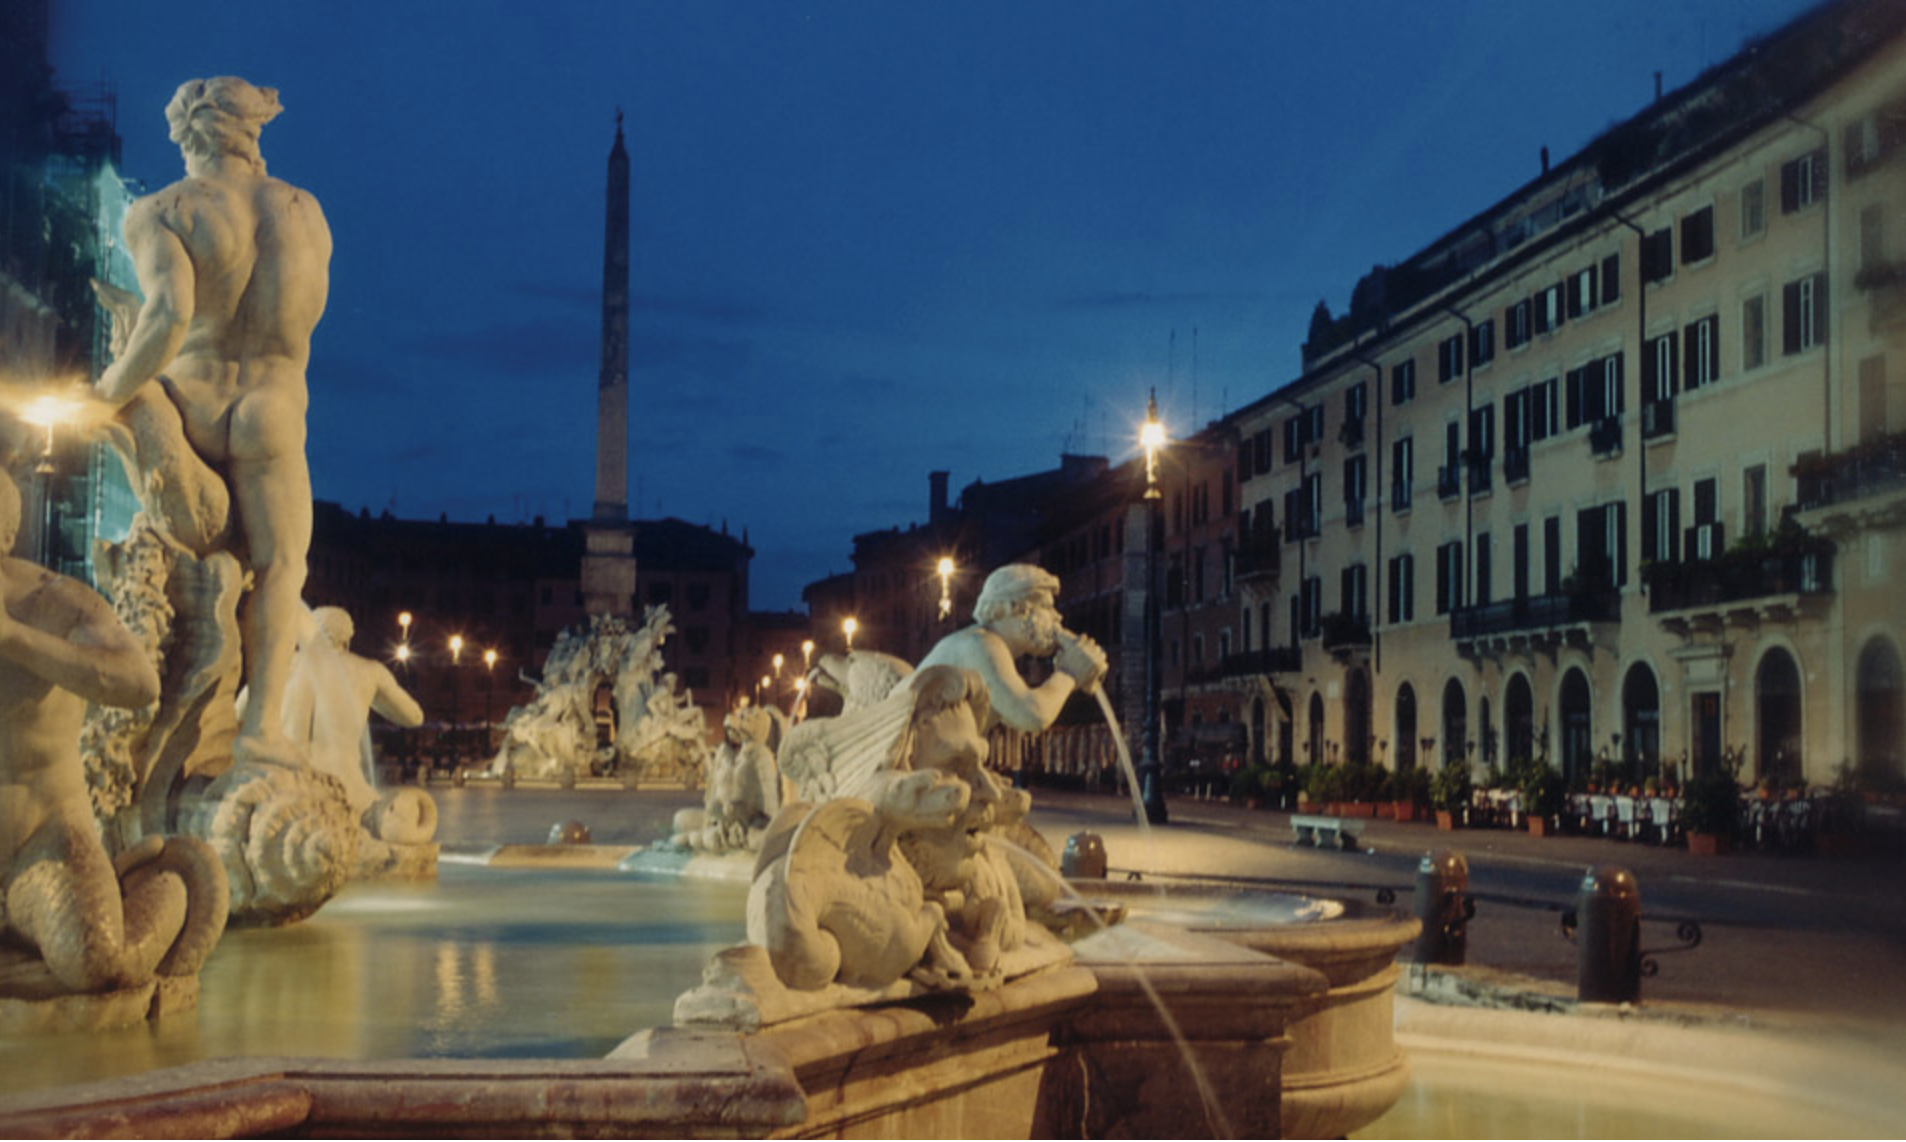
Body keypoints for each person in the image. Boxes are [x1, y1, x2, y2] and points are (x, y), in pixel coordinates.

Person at [94, 77, 331, 768]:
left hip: (192, 401)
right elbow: (302, 320)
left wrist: (108, 392)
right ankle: (260, 728)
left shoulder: (160, 210)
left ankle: (155, 722)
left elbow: (166, 318)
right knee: (283, 565)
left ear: (185, 136)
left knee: (173, 555)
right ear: (251, 133)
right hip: (276, 408)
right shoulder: (304, 212)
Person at [0, 468, 224, 991]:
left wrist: (13, 639)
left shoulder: (54, 601)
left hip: (44, 839)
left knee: (98, 962)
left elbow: (137, 681)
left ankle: (159, 883)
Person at [911, 564, 1108, 734]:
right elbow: (1033, 716)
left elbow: (1019, 714)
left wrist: (1075, 676)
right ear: (1013, 607)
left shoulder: (989, 645)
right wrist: (1069, 673)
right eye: (1047, 607)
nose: (1057, 617)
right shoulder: (980, 645)